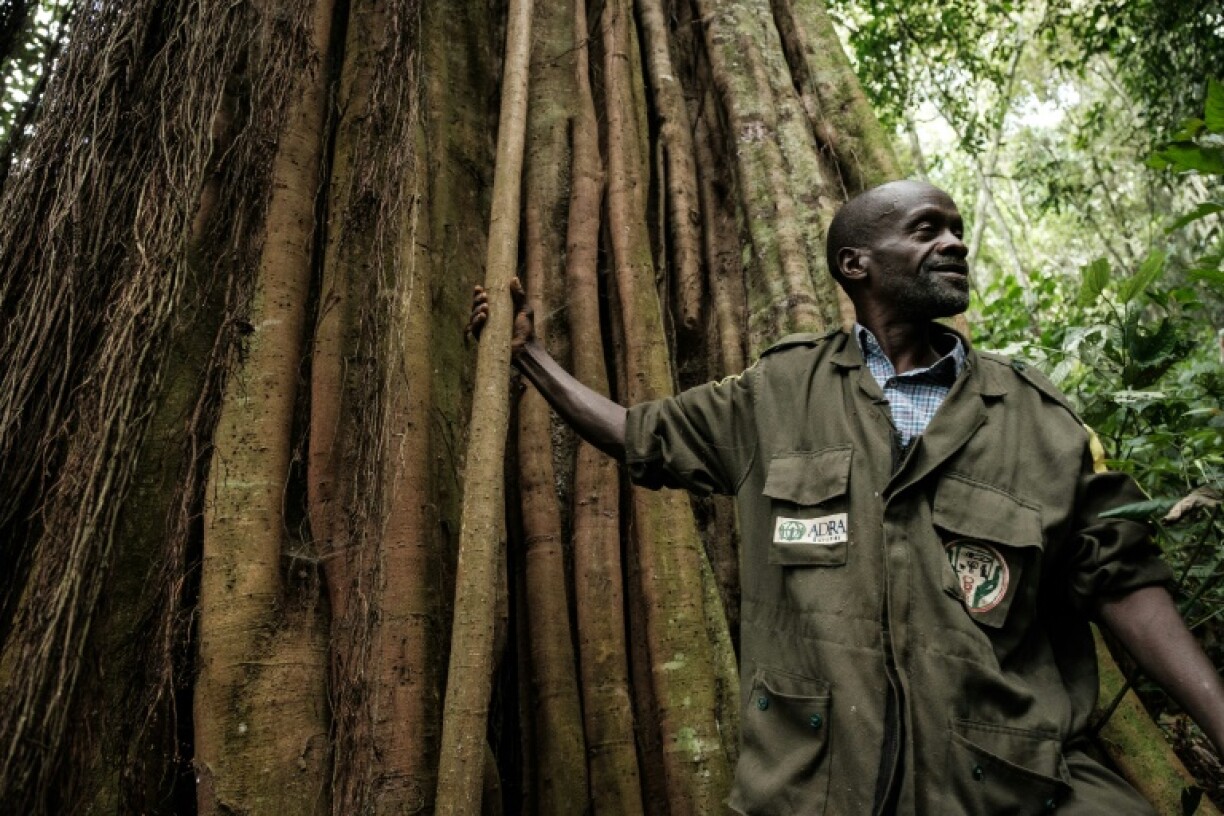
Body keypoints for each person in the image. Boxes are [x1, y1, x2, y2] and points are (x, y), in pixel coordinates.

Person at [469, 180, 1224, 814]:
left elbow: (1124, 583)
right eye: (927, 229)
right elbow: (642, 434)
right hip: (820, 784)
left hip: (1008, 786)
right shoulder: (776, 392)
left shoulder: (1039, 418)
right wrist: (529, 357)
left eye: (958, 230)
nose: (955, 242)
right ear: (854, 263)